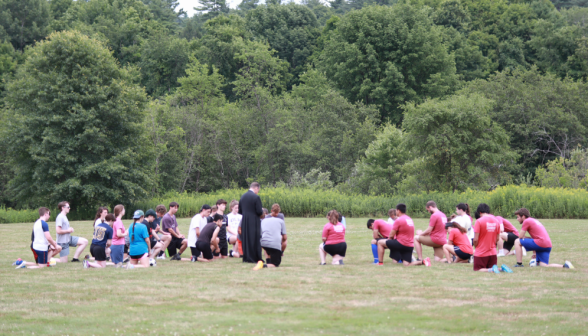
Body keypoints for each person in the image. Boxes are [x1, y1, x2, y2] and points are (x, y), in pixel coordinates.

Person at [238, 182, 264, 269]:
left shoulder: (243, 196)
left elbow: (240, 211)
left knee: (246, 238)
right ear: (256, 188)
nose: (258, 192)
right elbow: (259, 211)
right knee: (254, 238)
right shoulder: (256, 197)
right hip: (254, 220)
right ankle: (255, 258)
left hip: (245, 220)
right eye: (258, 190)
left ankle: (247, 257)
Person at [472, 203, 504, 273]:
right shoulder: (496, 221)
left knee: (478, 269)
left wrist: (476, 246)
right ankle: (501, 269)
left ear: (479, 212)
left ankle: (491, 270)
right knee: (491, 266)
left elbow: (475, 239)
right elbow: (497, 238)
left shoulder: (479, 221)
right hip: (493, 253)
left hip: (481, 253)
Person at [260, 203, 287, 268]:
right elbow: (285, 237)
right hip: (274, 241)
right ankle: (265, 264)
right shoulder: (278, 220)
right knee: (276, 264)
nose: (276, 214)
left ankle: (269, 261)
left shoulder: (264, 220)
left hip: (265, 241)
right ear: (271, 211)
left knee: (268, 248)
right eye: (275, 213)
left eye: (278, 213)